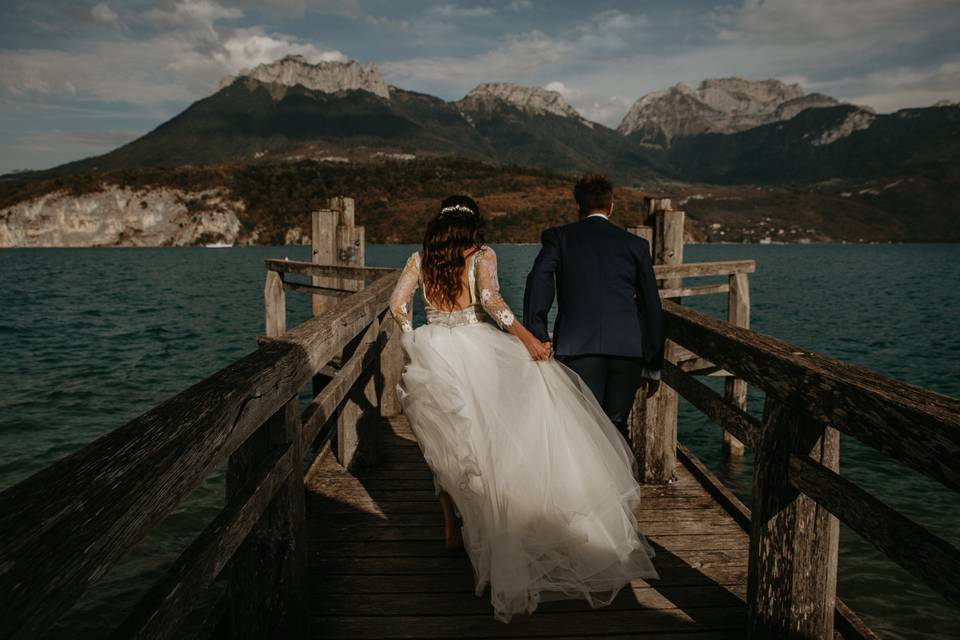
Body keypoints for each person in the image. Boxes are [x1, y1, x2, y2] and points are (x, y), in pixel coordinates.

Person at [388, 195, 658, 624]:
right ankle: (495, 524)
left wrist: (414, 338)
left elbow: (397, 305)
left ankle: (450, 527)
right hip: (478, 349)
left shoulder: (419, 260)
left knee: (446, 442)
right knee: (490, 440)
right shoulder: (481, 255)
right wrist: (528, 339)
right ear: (473, 225)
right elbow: (493, 302)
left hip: (435, 349)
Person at [523, 174, 665, 445]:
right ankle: (622, 483)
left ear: (578, 207)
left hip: (578, 347)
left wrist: (538, 333)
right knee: (617, 423)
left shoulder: (560, 238)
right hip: (627, 349)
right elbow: (651, 305)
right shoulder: (635, 245)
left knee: (581, 424)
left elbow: (539, 279)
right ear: (611, 206)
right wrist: (653, 363)